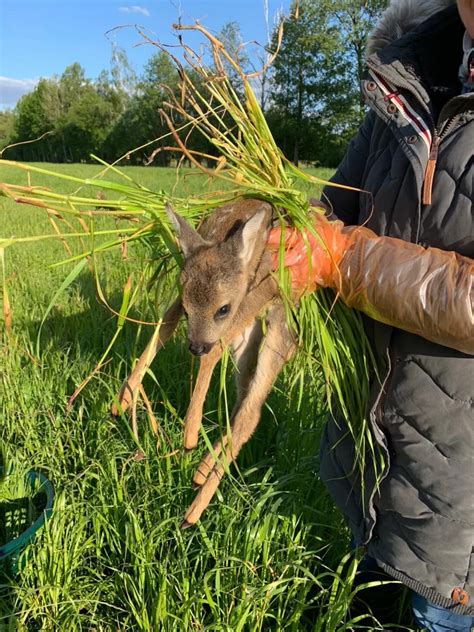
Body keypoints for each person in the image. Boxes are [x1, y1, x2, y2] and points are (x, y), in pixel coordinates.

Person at [268, 0, 473, 629]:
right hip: (391, 449)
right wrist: (270, 238)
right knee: (400, 585)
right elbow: (334, 209)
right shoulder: (409, 76)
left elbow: (339, 251)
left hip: (464, 497)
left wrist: (341, 263)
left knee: (445, 609)